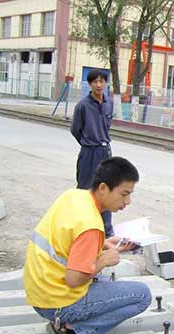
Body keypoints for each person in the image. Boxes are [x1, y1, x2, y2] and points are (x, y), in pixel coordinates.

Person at [23, 157, 152, 334]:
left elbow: (67, 242)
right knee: (142, 295)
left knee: (107, 282)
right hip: (57, 303)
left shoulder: (73, 197)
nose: (127, 202)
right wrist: (103, 260)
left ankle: (67, 325)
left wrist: (103, 244)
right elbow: (74, 279)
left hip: (39, 292)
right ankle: (74, 333)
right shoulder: (91, 225)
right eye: (124, 194)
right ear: (103, 188)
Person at [71, 68, 114, 237]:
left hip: (105, 151)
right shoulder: (83, 105)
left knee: (108, 190)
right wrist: (88, 143)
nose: (98, 85)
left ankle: (106, 232)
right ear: (90, 84)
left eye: (101, 81)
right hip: (89, 153)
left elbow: (107, 127)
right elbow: (75, 130)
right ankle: (81, 228)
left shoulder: (109, 103)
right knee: (85, 191)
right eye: (95, 82)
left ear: (105, 83)